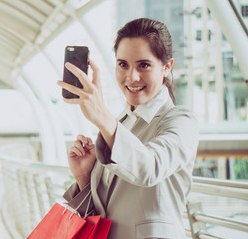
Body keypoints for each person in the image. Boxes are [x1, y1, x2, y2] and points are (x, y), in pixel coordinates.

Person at [57, 18, 199, 239]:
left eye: (143, 65)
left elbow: (150, 168)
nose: (131, 77)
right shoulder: (120, 123)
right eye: (123, 64)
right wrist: (85, 178)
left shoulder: (180, 121)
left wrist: (103, 118)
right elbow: (104, 214)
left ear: (166, 67)